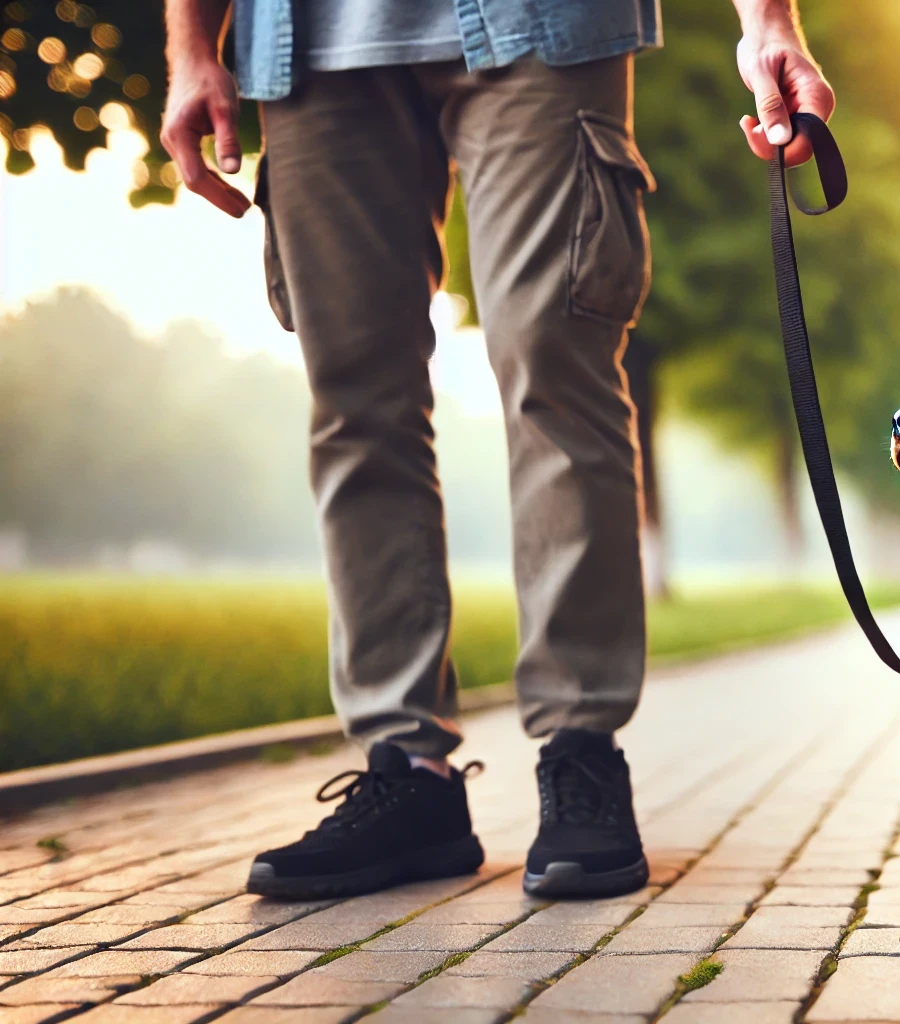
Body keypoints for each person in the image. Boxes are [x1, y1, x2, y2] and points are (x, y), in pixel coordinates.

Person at [160, 0, 835, 899]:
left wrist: (768, 23)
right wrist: (190, 48)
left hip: (544, 30)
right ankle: (408, 775)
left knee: (558, 371)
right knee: (355, 402)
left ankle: (580, 749)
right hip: (310, 46)